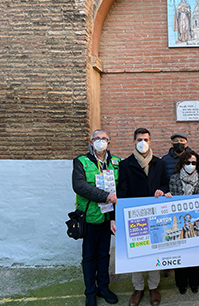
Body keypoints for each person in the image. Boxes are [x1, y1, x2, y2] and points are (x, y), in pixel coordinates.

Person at [117, 128, 171, 306]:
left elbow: (165, 182)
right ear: (134, 141)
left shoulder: (159, 163)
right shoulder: (125, 164)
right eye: (139, 139)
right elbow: (122, 191)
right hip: (135, 217)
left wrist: (162, 190)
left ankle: (153, 287)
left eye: (146, 139)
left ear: (150, 141)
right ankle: (138, 288)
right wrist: (121, 215)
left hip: (155, 216)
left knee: (155, 250)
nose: (143, 142)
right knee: (137, 252)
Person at [72, 129, 120, 306]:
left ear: (109, 142)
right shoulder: (81, 162)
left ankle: (104, 288)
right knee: (89, 257)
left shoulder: (115, 162)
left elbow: (118, 191)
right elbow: (79, 186)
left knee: (104, 255)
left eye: (104, 139)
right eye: (97, 139)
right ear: (91, 142)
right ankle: (90, 292)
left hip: (107, 218)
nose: (101, 141)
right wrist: (104, 196)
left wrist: (114, 217)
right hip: (90, 217)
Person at [169, 150, 199, 294]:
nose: (190, 165)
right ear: (182, 163)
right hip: (180, 224)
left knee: (195, 254)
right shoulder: (174, 179)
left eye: (193, 163)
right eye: (187, 162)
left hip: (195, 223)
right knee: (180, 253)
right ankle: (181, 283)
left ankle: (194, 283)